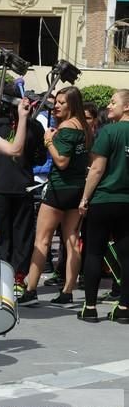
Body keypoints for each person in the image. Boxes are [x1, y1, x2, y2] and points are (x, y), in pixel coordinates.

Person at [18, 86, 92, 308]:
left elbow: (61, 161)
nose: (56, 106)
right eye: (56, 102)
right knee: (72, 240)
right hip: (77, 188)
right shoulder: (85, 128)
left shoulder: (66, 128)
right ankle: (68, 290)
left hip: (59, 189)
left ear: (72, 105)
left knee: (42, 239)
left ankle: (31, 290)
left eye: (62, 103)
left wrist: (49, 140)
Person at [0, 98, 45, 290]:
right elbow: (39, 158)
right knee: (21, 236)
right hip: (19, 187)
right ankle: (16, 278)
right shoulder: (34, 127)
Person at [77, 90, 129, 323]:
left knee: (95, 252)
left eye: (113, 102)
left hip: (104, 198)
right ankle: (125, 308)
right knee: (127, 255)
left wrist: (85, 198)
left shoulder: (109, 131)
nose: (109, 105)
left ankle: (89, 307)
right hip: (127, 202)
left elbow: (96, 169)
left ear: (127, 107)